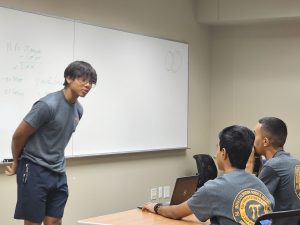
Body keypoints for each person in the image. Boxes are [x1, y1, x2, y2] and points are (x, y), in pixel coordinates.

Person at [5, 61, 97, 225]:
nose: (88, 85)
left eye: (91, 82)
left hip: (58, 171)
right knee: (33, 221)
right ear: (69, 78)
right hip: (34, 168)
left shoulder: (79, 110)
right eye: (83, 80)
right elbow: (18, 136)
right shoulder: (47, 105)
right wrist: (16, 161)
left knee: (54, 221)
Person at [143, 125, 274, 225]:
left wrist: (154, 206)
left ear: (223, 153)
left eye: (217, 148)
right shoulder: (261, 185)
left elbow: (175, 213)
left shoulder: (214, 188)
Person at [249, 117, 300, 225]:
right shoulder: (296, 162)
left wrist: (249, 165)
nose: (253, 141)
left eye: (255, 135)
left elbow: (252, 204)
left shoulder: (272, 166)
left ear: (265, 141)